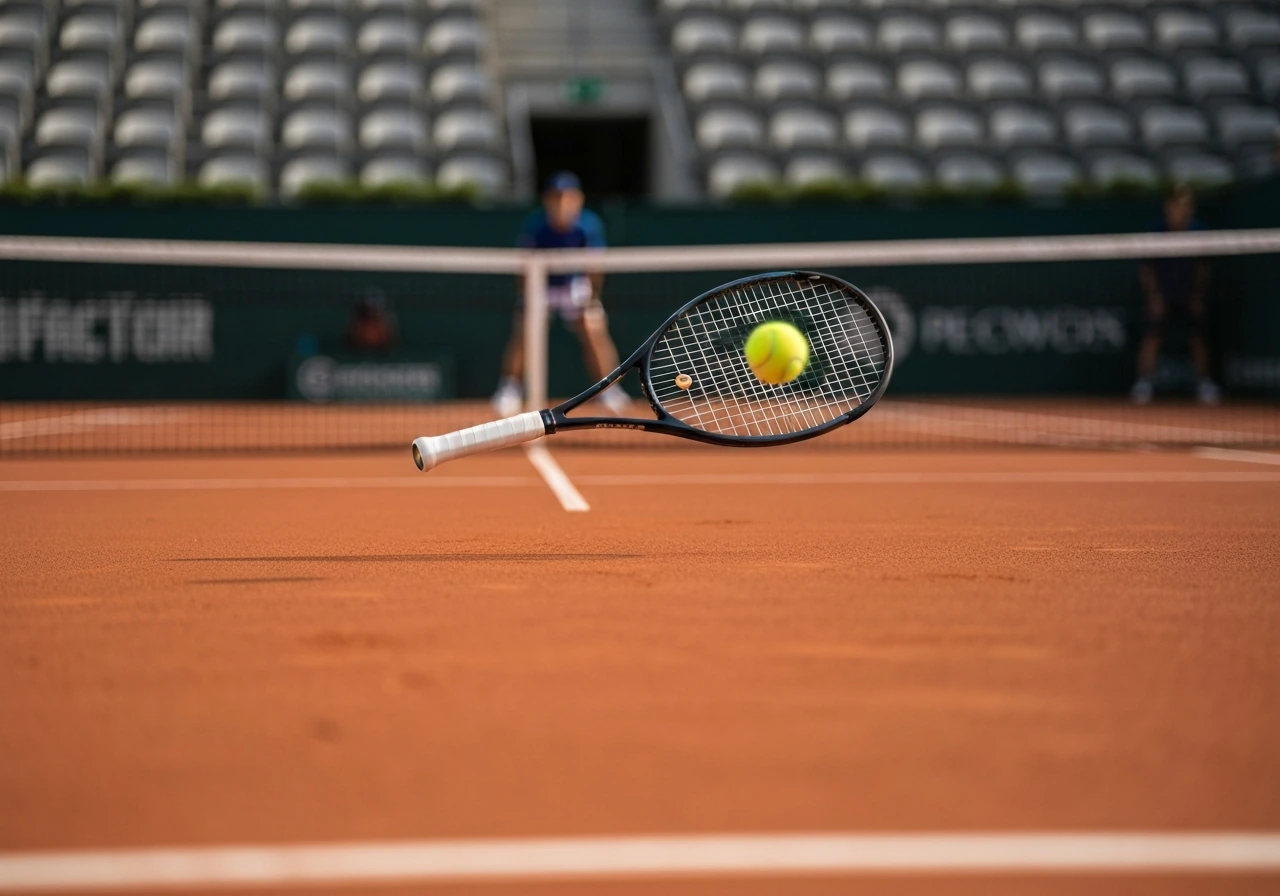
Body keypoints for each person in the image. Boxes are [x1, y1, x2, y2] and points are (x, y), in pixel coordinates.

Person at [491, 172, 630, 417]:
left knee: (593, 328)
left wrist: (592, 298)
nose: (562, 203)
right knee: (524, 331)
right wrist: (527, 299)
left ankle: (609, 390)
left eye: (568, 197)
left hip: (574, 285)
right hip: (541, 286)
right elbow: (524, 269)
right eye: (556, 197)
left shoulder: (589, 226)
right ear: (547, 201)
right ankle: (510, 389)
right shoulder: (536, 227)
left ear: (578, 200)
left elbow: (594, 269)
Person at [1130, 184, 1221, 405]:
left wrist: (1198, 296)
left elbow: (1202, 269)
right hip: (1162, 295)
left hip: (1189, 295)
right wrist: (1154, 296)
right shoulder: (1156, 232)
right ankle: (1144, 383)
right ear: (1168, 207)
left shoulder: (1198, 231)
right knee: (1153, 337)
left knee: (1197, 337)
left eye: (1188, 205)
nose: (1183, 209)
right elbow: (1147, 269)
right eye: (1178, 204)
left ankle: (1204, 384)